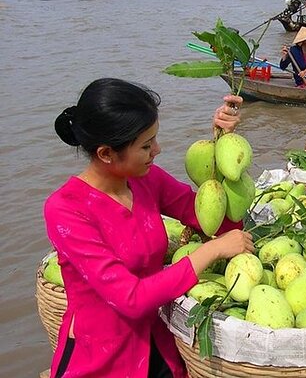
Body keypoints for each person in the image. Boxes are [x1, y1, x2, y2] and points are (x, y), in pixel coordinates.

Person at [45, 78, 253, 377]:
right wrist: (211, 251)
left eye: (154, 138)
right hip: (104, 357)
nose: (158, 149)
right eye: (146, 145)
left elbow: (218, 222)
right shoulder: (66, 210)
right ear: (106, 153)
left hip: (160, 343)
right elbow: (129, 299)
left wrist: (223, 148)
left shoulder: (147, 179)